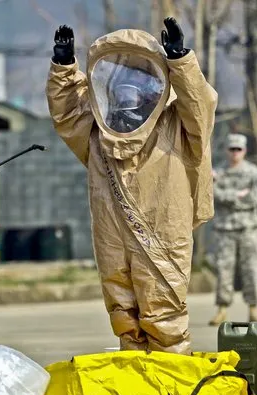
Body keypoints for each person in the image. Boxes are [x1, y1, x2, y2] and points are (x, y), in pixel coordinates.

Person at [46, 18, 218, 354]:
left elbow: (200, 106)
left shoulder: (175, 128)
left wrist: (180, 61)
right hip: (113, 235)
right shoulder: (97, 135)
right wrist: (64, 68)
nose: (127, 92)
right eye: (119, 83)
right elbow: (66, 116)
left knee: (162, 309)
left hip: (163, 232)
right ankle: (138, 385)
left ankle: (171, 384)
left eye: (137, 83)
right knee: (123, 311)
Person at [208, 133, 257, 325]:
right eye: (232, 149)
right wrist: (238, 195)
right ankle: (222, 309)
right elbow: (213, 195)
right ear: (227, 150)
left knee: (251, 268)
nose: (235, 153)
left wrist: (229, 198)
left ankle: (253, 308)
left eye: (238, 149)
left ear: (245, 151)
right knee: (223, 270)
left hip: (249, 228)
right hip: (225, 229)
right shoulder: (218, 173)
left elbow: (255, 198)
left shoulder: (254, 173)